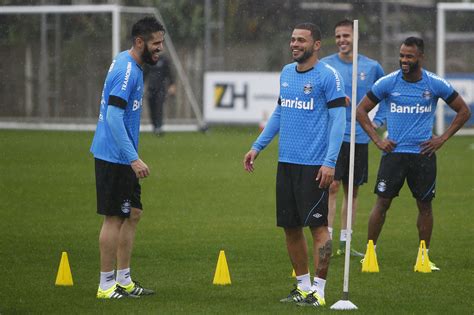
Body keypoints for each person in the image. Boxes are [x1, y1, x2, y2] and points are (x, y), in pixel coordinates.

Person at [243, 23, 346, 308]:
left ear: (316, 45)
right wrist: (257, 146)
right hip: (286, 163)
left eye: (301, 40)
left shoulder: (328, 77)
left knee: (318, 227)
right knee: (290, 227)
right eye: (292, 39)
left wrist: (330, 162)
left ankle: (319, 291)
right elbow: (280, 111)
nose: (294, 44)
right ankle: (302, 286)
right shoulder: (287, 73)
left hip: (314, 165)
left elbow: (339, 121)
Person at [356, 37, 471, 271]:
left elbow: (463, 110)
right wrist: (378, 140)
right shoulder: (388, 82)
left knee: (425, 205)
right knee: (382, 203)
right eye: (401, 55)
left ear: (421, 57)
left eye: (409, 56)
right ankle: (370, 253)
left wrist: (442, 138)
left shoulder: (434, 83)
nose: (404, 60)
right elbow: (361, 110)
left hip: (423, 155)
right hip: (394, 154)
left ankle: (423, 257)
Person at [90, 16, 166, 299]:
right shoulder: (127, 71)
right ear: (139, 42)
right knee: (114, 218)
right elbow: (112, 116)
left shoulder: (130, 63)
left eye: (161, 43)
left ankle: (124, 280)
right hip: (115, 156)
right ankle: (106, 285)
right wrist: (133, 158)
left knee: (132, 213)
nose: (160, 49)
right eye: (156, 44)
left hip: (122, 155)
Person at [321, 19, 386, 257]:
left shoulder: (371, 67)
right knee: (332, 186)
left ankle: (345, 242)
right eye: (338, 36)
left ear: (355, 37)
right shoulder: (326, 65)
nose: (341, 40)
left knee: (352, 189)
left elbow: (385, 96)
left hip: (359, 138)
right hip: (333, 136)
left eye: (346, 36)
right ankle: (326, 239)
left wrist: (377, 122)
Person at [144, 54, 176, 135]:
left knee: (159, 106)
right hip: (151, 88)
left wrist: (172, 84)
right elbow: (144, 74)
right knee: (151, 107)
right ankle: (154, 126)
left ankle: (159, 126)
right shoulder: (148, 60)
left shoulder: (164, 60)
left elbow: (170, 73)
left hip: (161, 88)